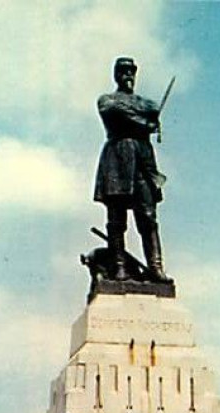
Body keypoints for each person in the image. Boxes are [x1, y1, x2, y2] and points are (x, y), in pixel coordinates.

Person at [93, 57, 171, 283]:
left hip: (143, 161)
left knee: (148, 217)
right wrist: (143, 123)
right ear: (116, 75)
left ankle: (156, 267)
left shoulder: (142, 102)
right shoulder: (107, 100)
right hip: (118, 158)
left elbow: (152, 107)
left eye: (132, 72)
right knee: (117, 220)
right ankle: (119, 268)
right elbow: (114, 111)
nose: (128, 76)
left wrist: (141, 118)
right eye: (124, 72)